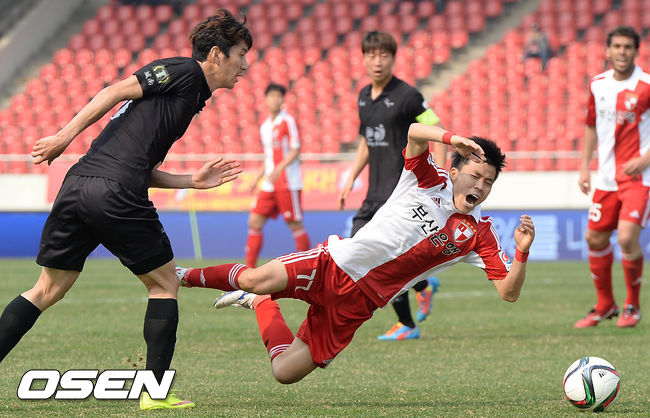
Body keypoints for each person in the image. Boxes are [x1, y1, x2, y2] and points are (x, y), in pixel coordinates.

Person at [0, 9, 251, 410]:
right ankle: (154, 393)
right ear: (217, 55)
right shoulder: (185, 72)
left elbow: (137, 164)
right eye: (241, 54)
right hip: (114, 191)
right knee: (164, 284)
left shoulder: (190, 96)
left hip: (79, 185)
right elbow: (114, 91)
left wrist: (191, 181)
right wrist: (64, 136)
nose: (245, 65)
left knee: (47, 289)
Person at [176, 123, 535, 384]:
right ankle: (181, 276)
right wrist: (450, 137)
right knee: (254, 278)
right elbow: (413, 132)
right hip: (334, 263)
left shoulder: (480, 233)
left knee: (284, 372)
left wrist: (521, 253)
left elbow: (509, 292)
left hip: (360, 303)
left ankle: (260, 304)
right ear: (455, 172)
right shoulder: (429, 179)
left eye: (488, 182)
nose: (480, 186)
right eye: (475, 176)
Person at [338, 30, 446, 340]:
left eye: (383, 55)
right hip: (374, 192)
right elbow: (366, 140)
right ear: (363, 59)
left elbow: (437, 129)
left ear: (393, 58)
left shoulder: (407, 95)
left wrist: (439, 177)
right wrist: (351, 177)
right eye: (371, 55)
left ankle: (407, 324)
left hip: (400, 192)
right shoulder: (363, 96)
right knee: (362, 248)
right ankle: (424, 285)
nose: (377, 61)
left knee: (379, 256)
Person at [575, 26, 647, 328]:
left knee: (627, 237)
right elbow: (591, 125)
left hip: (638, 179)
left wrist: (644, 159)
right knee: (594, 237)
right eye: (616, 46)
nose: (622, 52)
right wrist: (584, 166)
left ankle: (632, 305)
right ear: (607, 51)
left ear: (636, 51)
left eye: (627, 47)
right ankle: (605, 305)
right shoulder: (598, 84)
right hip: (606, 178)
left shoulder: (646, 85)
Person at [245, 83, 310, 267]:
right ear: (266, 99)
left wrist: (278, 169)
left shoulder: (288, 121)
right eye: (272, 96)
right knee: (254, 222)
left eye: (279, 96)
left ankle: (308, 269)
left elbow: (295, 150)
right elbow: (268, 157)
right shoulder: (265, 125)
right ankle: (249, 270)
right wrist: (257, 178)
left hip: (288, 182)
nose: (275, 99)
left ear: (283, 99)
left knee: (295, 224)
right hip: (269, 184)